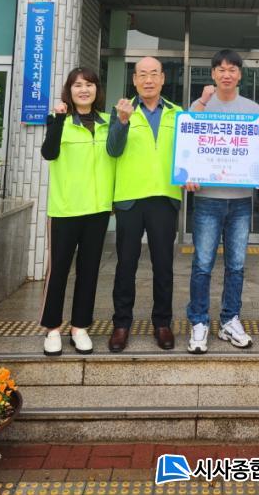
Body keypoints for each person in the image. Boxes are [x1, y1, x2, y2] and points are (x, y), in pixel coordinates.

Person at [185, 49, 259, 354]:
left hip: (241, 201)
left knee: (237, 265)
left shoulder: (253, 109)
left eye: (232, 69)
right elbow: (188, 141)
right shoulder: (200, 105)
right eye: (221, 69)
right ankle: (199, 321)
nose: (226, 74)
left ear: (240, 74)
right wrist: (188, 174)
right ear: (213, 74)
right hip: (207, 199)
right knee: (202, 264)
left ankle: (230, 319)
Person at [106, 57, 182, 353]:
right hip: (130, 199)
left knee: (163, 265)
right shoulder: (122, 110)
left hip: (164, 197)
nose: (148, 80)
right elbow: (113, 150)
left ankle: (162, 323)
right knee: (126, 264)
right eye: (142, 75)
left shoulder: (177, 113)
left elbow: (190, 152)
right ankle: (121, 324)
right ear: (134, 80)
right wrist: (122, 122)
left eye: (154, 74)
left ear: (163, 79)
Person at [40, 68, 115, 357]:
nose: (84, 90)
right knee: (58, 270)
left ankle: (80, 327)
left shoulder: (108, 122)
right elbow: (49, 153)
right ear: (69, 90)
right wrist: (58, 119)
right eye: (78, 85)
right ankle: (52, 328)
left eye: (89, 84)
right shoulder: (58, 119)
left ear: (97, 89)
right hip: (65, 209)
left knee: (89, 270)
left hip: (97, 209)